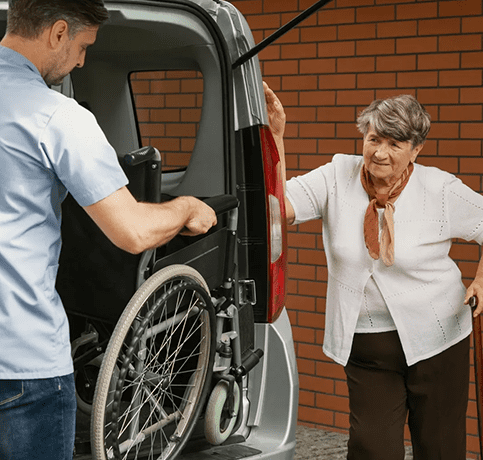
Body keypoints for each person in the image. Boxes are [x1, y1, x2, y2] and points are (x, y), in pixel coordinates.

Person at [0, 1, 217, 459]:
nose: (81, 61)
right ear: (58, 32)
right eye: (82, 46)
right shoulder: (58, 117)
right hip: (22, 365)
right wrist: (185, 208)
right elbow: (132, 232)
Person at [264, 81, 483, 460]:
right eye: (373, 139)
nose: (379, 153)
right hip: (367, 344)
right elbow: (277, 207)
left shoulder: (441, 189)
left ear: (416, 150)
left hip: (439, 337)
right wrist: (275, 136)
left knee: (440, 448)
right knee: (372, 449)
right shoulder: (336, 175)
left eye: (395, 145)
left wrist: (482, 279)